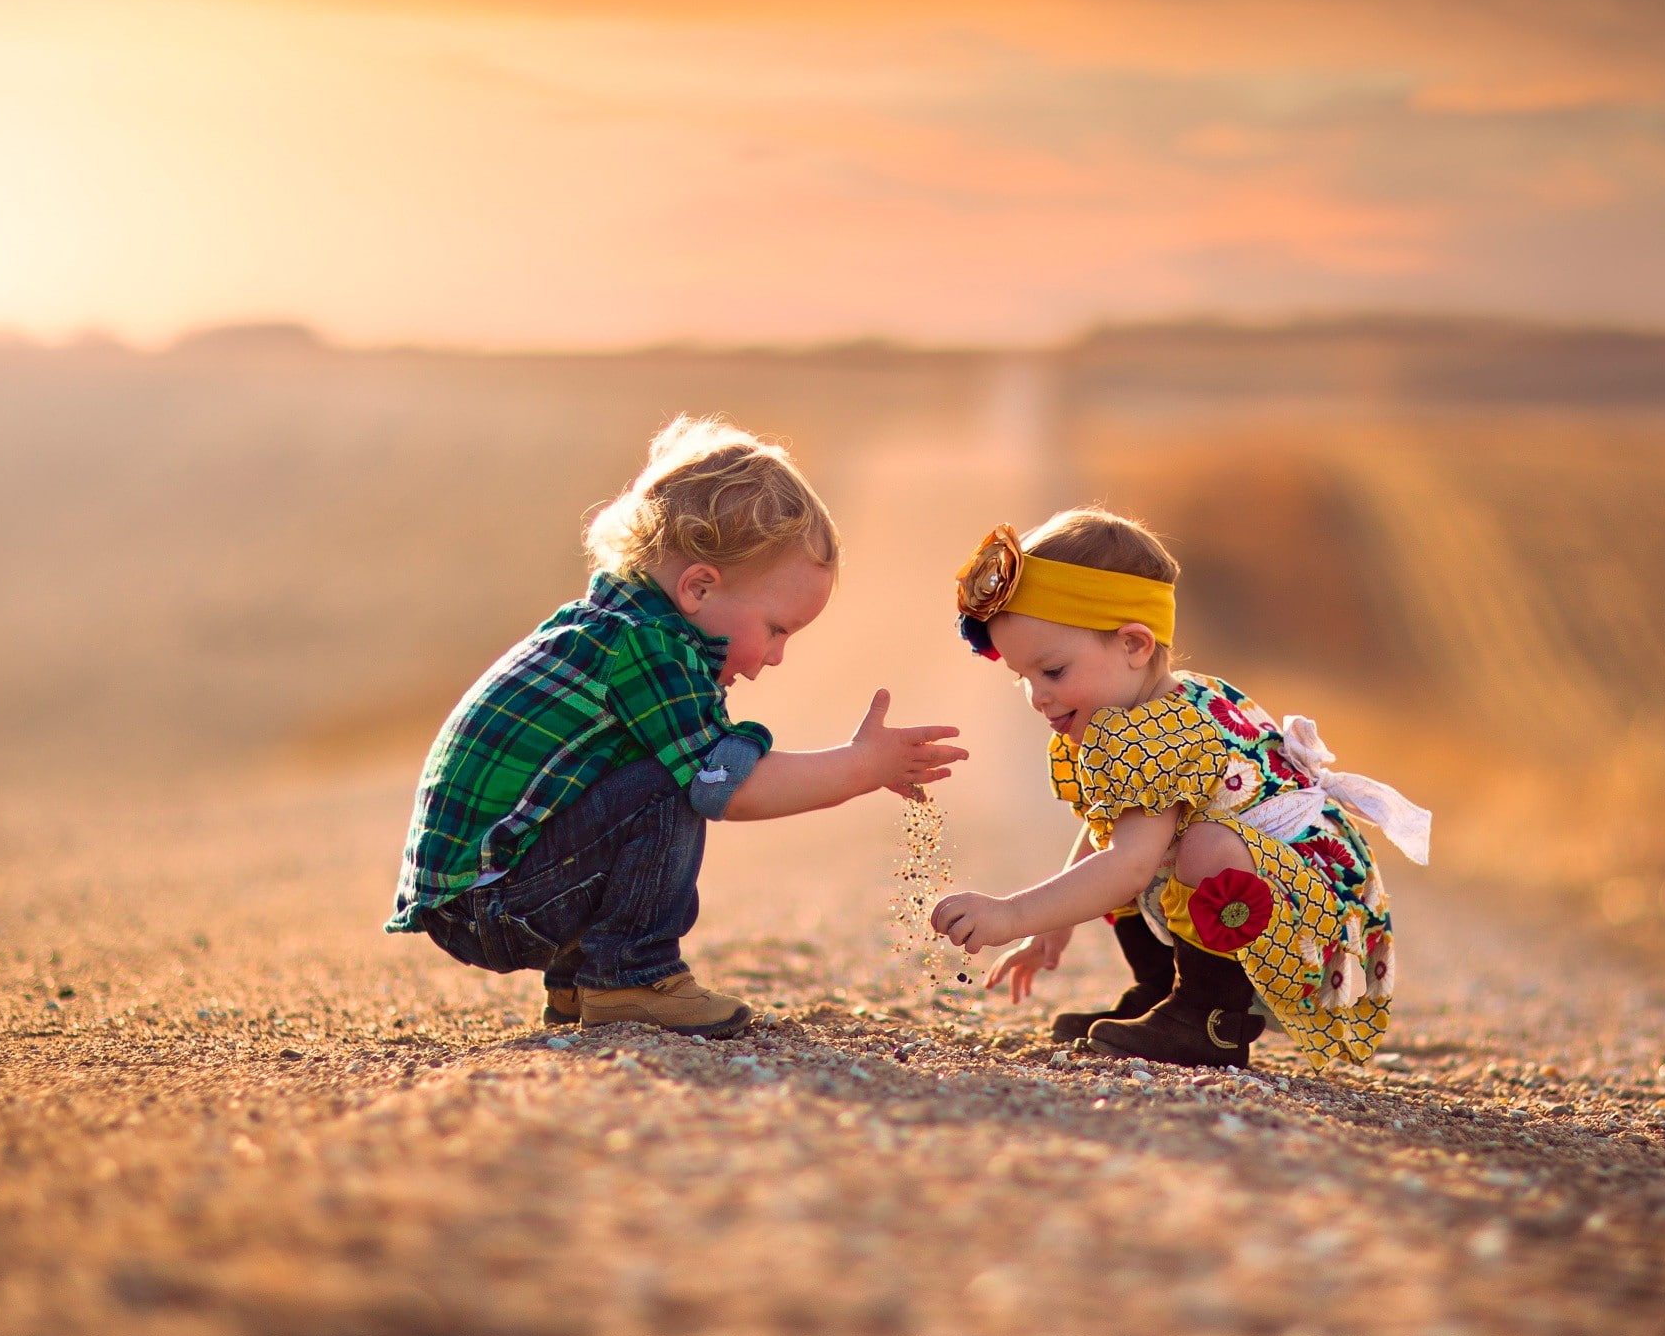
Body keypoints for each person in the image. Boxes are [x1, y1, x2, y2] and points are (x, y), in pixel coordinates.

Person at [387, 416, 964, 1038]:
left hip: (480, 896)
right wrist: (860, 767)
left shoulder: (607, 626)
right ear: (698, 587)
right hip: (495, 906)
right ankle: (630, 977)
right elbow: (728, 786)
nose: (777, 656)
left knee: (643, 770)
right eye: (777, 629)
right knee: (681, 777)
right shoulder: (648, 648)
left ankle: (583, 985)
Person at [930, 509, 1428, 1069]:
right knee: (1143, 846)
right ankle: (1163, 992)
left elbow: (1128, 866)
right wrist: (1055, 926)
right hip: (1269, 890)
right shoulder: (1144, 712)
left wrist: (1014, 915)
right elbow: (1109, 834)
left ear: (1134, 645)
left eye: (1052, 672)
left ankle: (1210, 1019)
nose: (1038, 696)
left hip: (1304, 916)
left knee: (1197, 847)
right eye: (1022, 678)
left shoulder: (1163, 732)